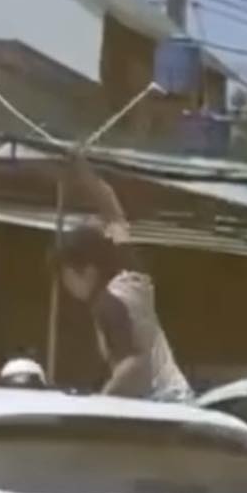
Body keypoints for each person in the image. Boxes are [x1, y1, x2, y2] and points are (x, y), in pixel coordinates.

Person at [51, 153, 191, 401]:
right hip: (178, 395)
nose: (66, 286)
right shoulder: (132, 276)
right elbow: (114, 213)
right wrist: (83, 171)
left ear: (87, 271)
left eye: (67, 276)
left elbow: (134, 364)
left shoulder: (107, 303)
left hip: (157, 402)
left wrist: (100, 402)